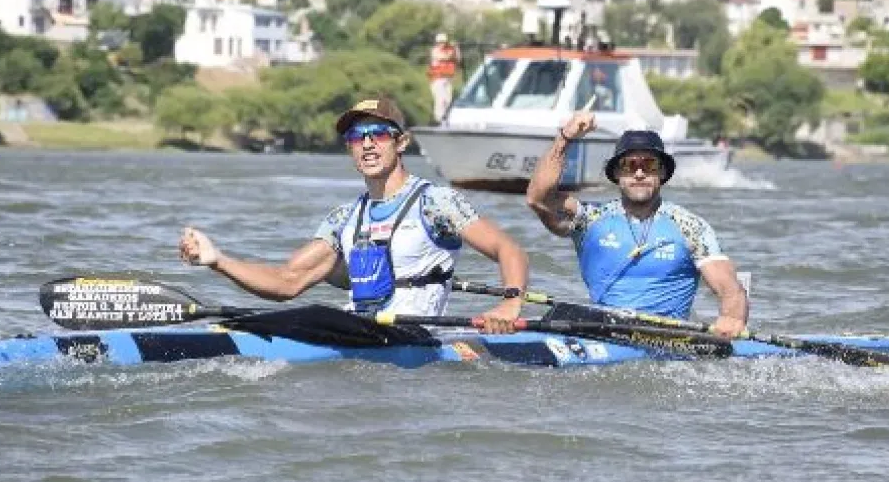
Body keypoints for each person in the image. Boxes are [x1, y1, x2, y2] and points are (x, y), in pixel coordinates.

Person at [180, 96, 528, 333]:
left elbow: (508, 250)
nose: (367, 144)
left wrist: (510, 305)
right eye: (355, 137)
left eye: (378, 133)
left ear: (401, 142)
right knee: (304, 318)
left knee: (316, 320)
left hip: (416, 338)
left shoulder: (435, 203)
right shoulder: (343, 219)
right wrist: (217, 260)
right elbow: (288, 281)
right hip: (360, 333)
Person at [525, 112, 748, 338]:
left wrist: (731, 318)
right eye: (629, 165)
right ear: (617, 173)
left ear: (662, 172)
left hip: (667, 343)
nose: (639, 173)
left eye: (649, 164)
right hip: (603, 334)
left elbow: (730, 290)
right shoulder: (590, 220)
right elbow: (538, 198)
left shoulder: (690, 227)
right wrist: (565, 138)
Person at [428, 32, 459, 124]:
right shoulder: (435, 51)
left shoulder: (450, 50)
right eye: (440, 42)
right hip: (438, 79)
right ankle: (439, 120)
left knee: (448, 100)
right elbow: (445, 57)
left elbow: (458, 59)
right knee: (440, 100)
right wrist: (452, 50)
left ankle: (446, 120)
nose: (442, 44)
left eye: (444, 42)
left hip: (448, 78)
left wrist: (456, 48)